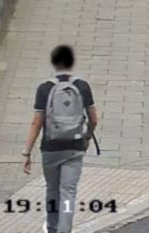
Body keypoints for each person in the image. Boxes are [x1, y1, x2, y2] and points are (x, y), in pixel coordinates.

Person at [22, 45, 98, 233]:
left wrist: (27, 152)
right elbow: (94, 119)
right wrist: (87, 137)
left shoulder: (45, 88)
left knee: (52, 189)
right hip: (75, 146)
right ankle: (65, 229)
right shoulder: (82, 86)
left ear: (54, 63)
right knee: (68, 192)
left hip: (51, 147)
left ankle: (52, 227)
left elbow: (36, 123)